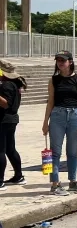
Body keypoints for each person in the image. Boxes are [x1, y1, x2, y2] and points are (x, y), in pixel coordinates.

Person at [42, 51, 77, 195]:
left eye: (63, 60)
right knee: (55, 152)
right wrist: (45, 121)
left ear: (70, 62)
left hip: (75, 115)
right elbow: (50, 101)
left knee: (72, 151)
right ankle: (55, 184)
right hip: (58, 115)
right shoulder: (54, 80)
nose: (60, 63)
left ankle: (72, 181)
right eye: (58, 60)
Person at [0, 60, 26, 188]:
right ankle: (18, 176)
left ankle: (0, 181)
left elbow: (5, 104)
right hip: (12, 119)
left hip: (3, 120)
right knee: (10, 149)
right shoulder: (15, 84)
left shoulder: (6, 85)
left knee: (1, 150)